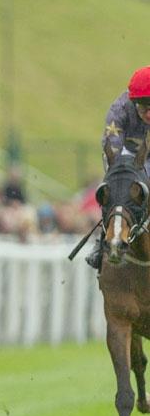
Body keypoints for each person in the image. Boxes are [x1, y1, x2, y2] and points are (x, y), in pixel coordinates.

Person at [86, 66, 150, 269]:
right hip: (127, 155)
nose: (148, 113)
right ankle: (103, 240)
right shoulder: (119, 109)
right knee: (118, 187)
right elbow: (112, 151)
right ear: (133, 101)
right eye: (143, 106)